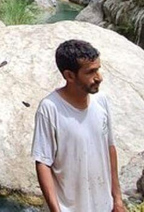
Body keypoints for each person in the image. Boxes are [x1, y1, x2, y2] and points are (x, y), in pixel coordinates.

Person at [32, 39, 125, 212]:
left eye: (98, 69)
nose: (99, 78)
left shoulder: (101, 101)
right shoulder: (50, 108)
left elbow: (109, 148)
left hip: (104, 206)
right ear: (69, 76)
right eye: (91, 72)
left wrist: (117, 199)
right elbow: (43, 163)